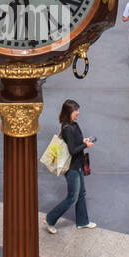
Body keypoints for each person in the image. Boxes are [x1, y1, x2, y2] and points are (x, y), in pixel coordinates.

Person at [45, 99, 96, 232]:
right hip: (72, 168)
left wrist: (83, 141)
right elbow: (72, 150)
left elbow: (75, 143)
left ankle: (82, 221)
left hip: (78, 165)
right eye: (75, 111)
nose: (78, 113)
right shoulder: (67, 128)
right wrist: (86, 145)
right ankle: (50, 219)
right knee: (72, 197)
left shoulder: (75, 125)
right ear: (69, 112)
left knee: (81, 194)